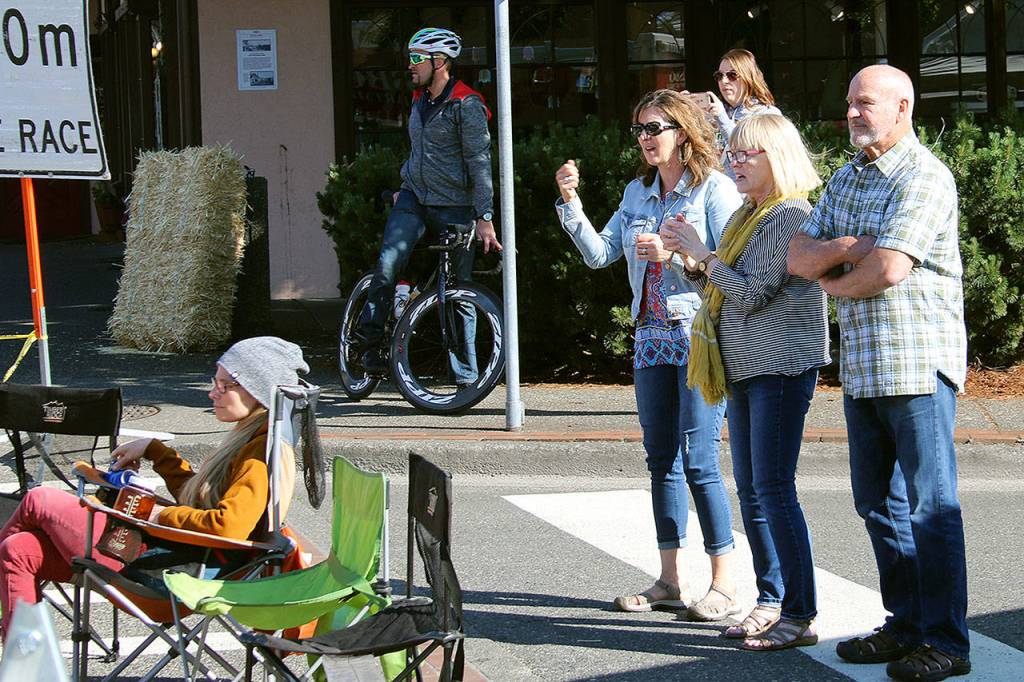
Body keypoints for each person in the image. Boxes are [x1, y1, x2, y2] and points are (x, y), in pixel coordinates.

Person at [788, 64, 970, 681]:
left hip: (918, 365)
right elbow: (797, 256)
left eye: (866, 103)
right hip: (865, 368)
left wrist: (839, 275)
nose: (853, 113)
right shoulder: (846, 178)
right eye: (849, 103)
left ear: (903, 107)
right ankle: (907, 624)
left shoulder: (925, 177)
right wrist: (846, 249)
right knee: (877, 504)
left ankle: (947, 642)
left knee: (931, 508)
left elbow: (891, 268)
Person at [553, 89, 743, 619]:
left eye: (654, 128)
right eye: (639, 130)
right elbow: (599, 255)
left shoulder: (714, 191)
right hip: (650, 338)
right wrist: (572, 204)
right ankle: (669, 580)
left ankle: (724, 583)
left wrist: (678, 254)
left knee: (700, 460)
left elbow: (731, 271)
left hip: (698, 337)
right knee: (661, 460)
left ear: (682, 131)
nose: (645, 139)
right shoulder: (637, 195)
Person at [0, 336, 308, 640]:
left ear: (258, 391)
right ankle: (24, 661)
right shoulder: (252, 437)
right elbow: (199, 500)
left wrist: (158, 515)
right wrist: (156, 451)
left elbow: (229, 526)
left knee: (40, 498)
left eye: (225, 385)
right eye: (215, 381)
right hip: (172, 558)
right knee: (19, 550)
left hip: (169, 574)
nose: (213, 393)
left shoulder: (258, 455)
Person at [662, 114, 828, 651]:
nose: (733, 163)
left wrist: (702, 253)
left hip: (780, 367)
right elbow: (728, 286)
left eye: (744, 155)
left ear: (775, 157)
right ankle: (772, 601)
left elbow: (754, 292)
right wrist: (691, 257)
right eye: (731, 154)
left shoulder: (790, 215)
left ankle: (797, 611)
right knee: (756, 492)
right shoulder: (749, 215)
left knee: (774, 491)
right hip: (747, 367)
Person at [351, 27, 502, 379]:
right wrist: (404, 187)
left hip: (454, 207)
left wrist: (484, 215)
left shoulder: (467, 104)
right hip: (414, 199)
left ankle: (466, 377)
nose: (411, 65)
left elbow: (479, 163)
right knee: (388, 264)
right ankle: (368, 346)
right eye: (410, 58)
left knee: (458, 292)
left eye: (417, 58)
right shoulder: (420, 100)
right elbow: (420, 154)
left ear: (441, 62)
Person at [690, 49, 780, 179]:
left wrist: (722, 119)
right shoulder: (713, 114)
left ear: (748, 78)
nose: (724, 81)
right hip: (717, 191)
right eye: (719, 76)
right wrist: (683, 116)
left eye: (732, 75)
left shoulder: (767, 114)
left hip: (751, 194)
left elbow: (748, 152)